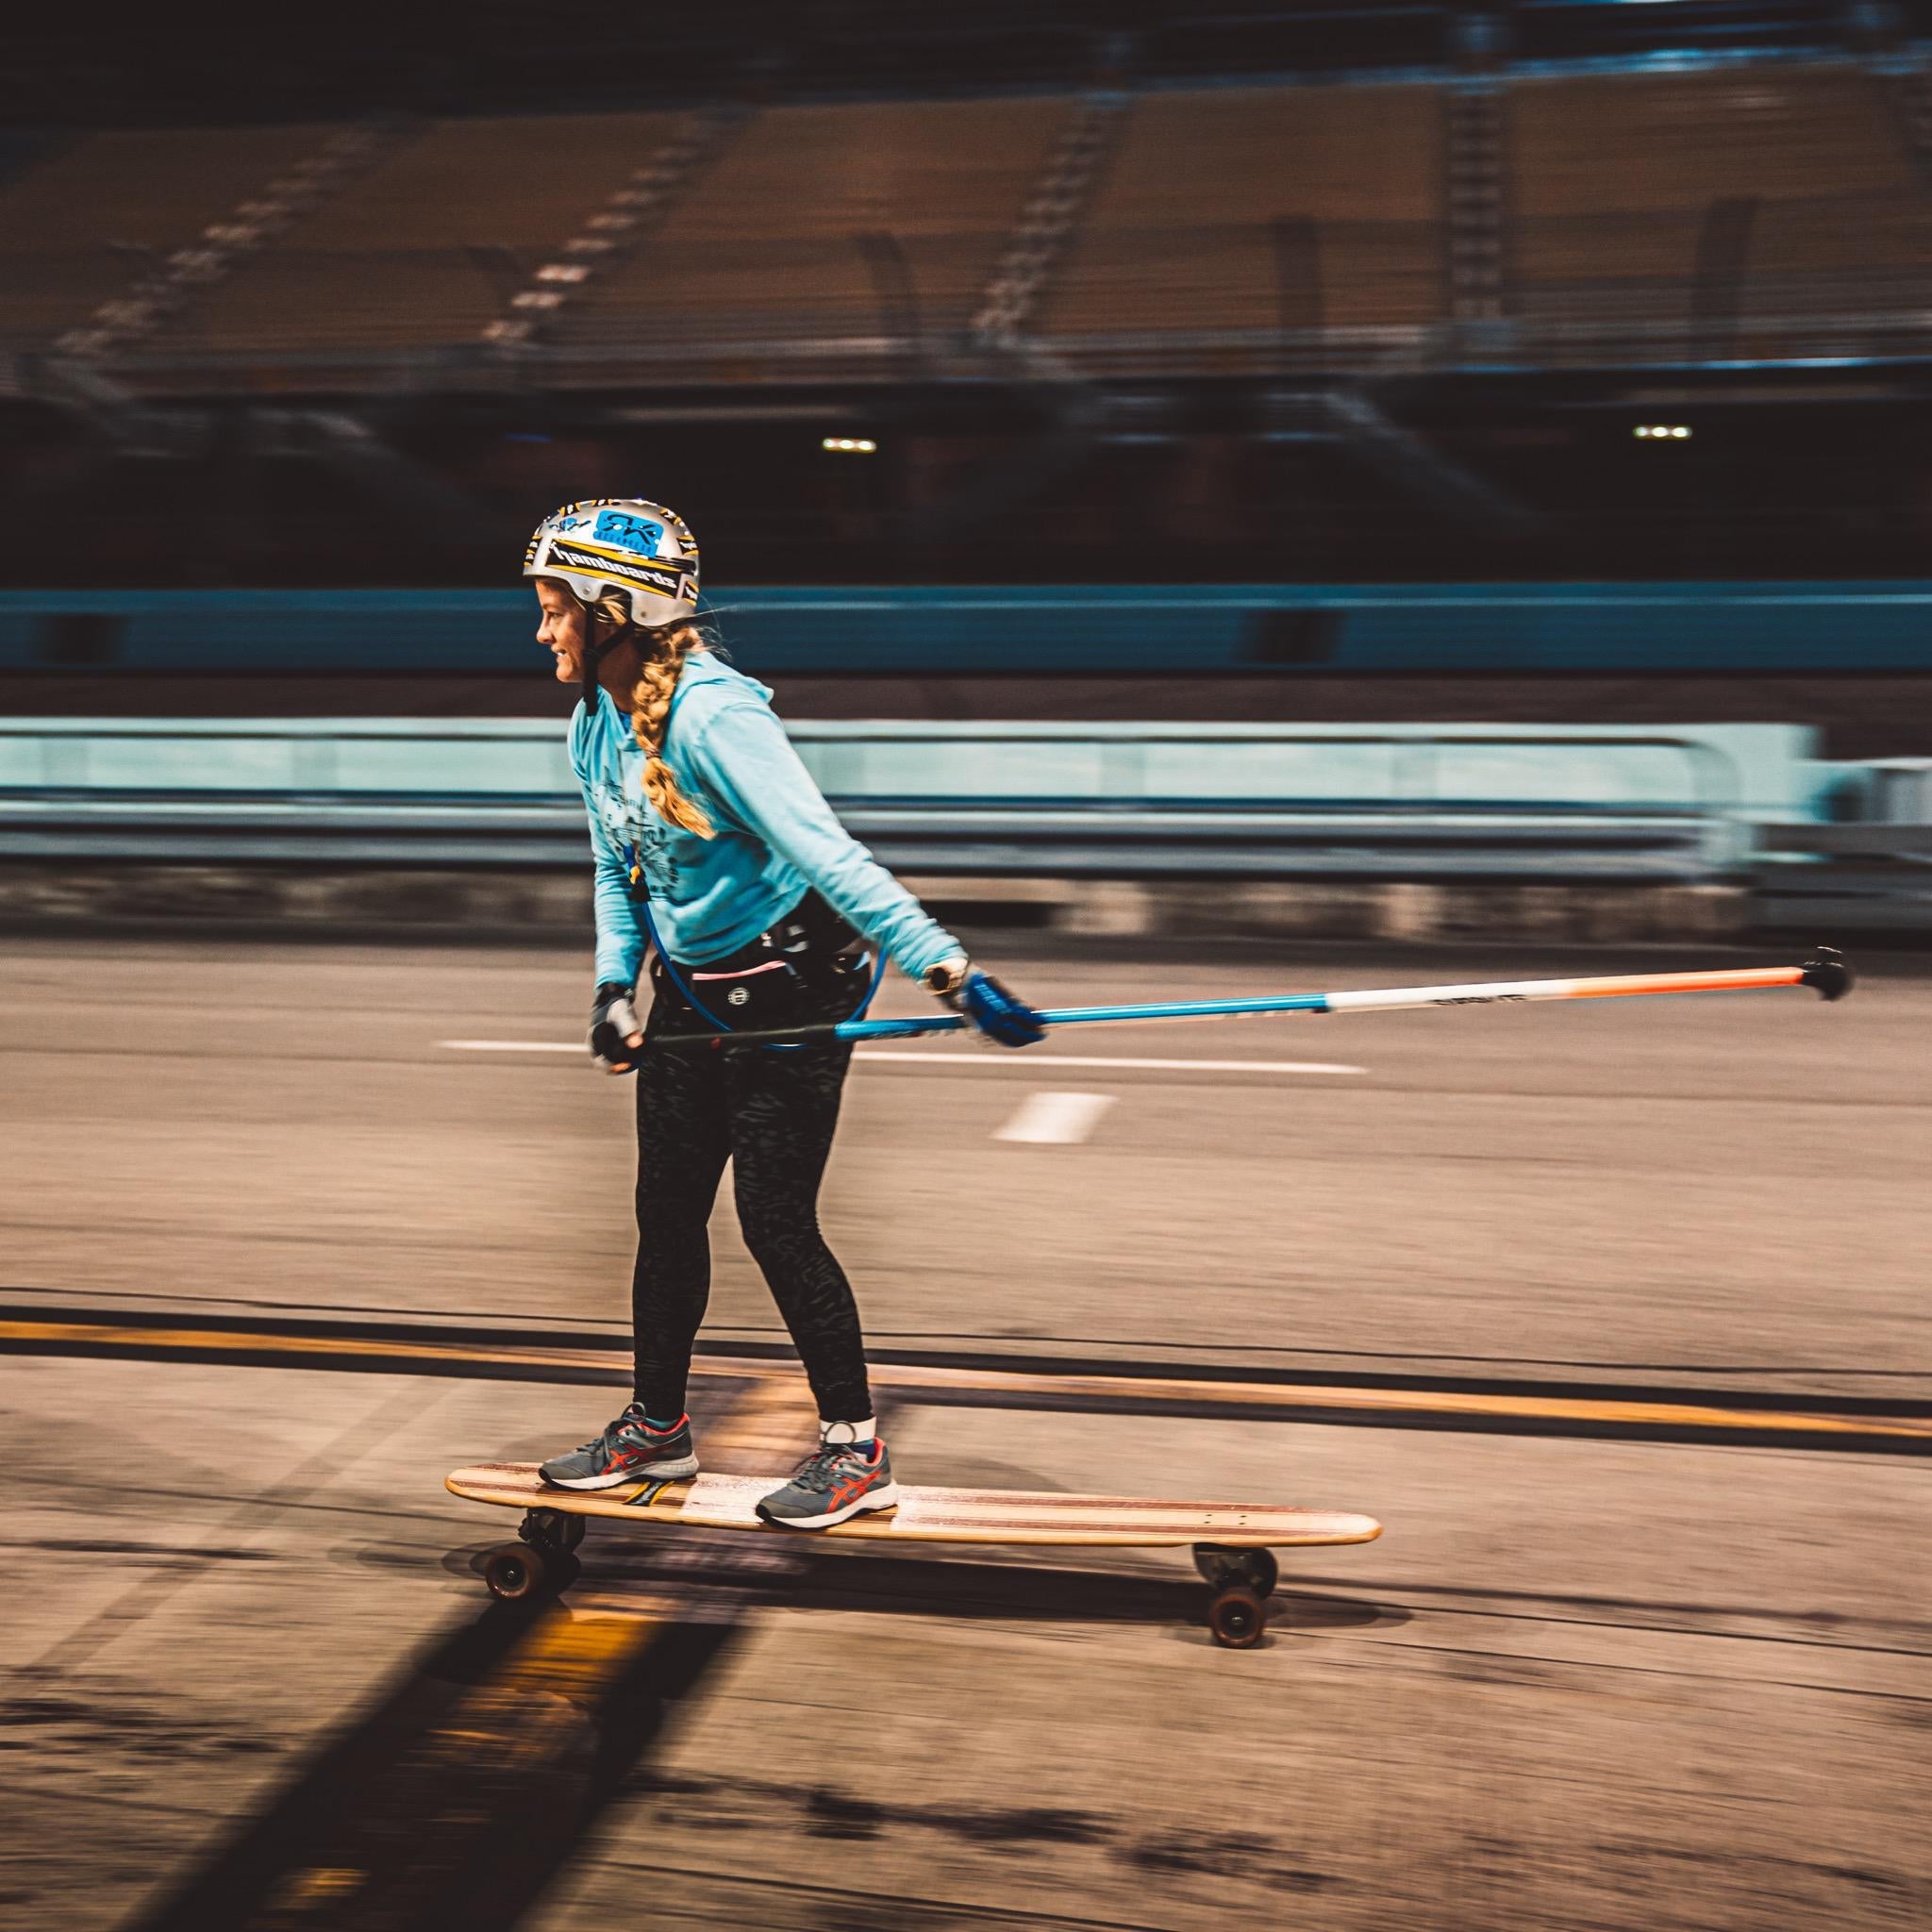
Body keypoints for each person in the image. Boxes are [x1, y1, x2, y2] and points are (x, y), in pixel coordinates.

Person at [525, 498, 1045, 1528]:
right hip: (691, 982)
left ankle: (855, 1452)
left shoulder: (716, 718)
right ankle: (657, 1428)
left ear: (612, 609)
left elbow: (829, 855)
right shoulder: (593, 719)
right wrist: (609, 987)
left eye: (553, 610)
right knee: (664, 1213)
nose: (542, 631)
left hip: (796, 983)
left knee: (774, 1219)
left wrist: (948, 971)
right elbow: (617, 865)